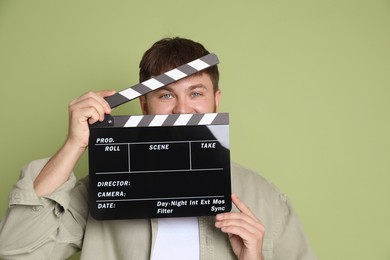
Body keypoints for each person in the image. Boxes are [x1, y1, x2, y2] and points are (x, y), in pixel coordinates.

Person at [0, 37, 316, 260]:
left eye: (196, 93)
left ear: (216, 101)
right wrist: (74, 145)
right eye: (166, 95)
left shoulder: (266, 199)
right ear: (144, 105)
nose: (181, 109)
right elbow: (16, 252)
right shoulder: (104, 190)